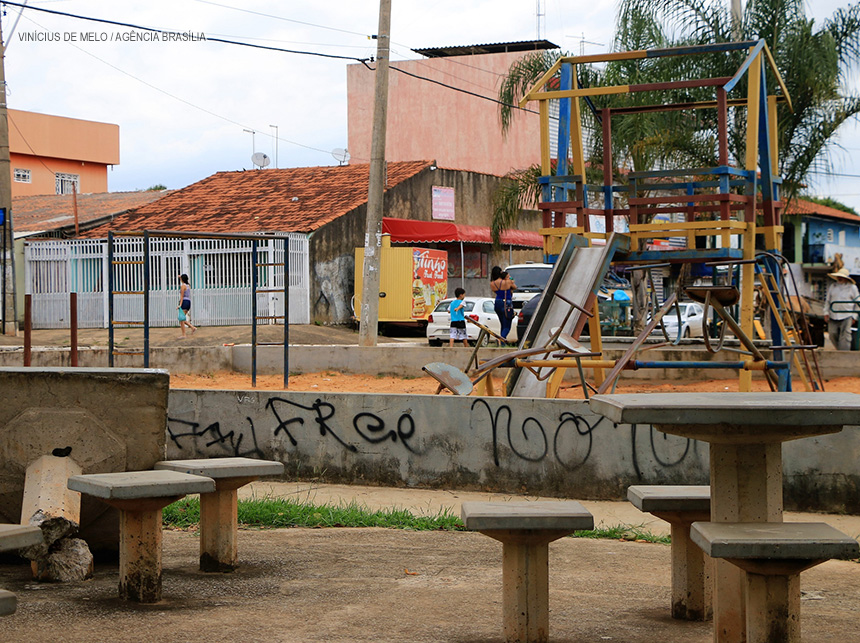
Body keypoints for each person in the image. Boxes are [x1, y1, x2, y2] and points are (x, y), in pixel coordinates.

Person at [824, 267, 860, 350]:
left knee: (845, 335)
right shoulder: (833, 286)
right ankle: (839, 349)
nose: (840, 278)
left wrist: (854, 316)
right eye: (839, 277)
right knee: (832, 334)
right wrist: (826, 312)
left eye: (842, 277)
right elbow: (828, 301)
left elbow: (857, 303)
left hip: (847, 314)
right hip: (833, 314)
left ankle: (844, 352)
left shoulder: (852, 288)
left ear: (845, 278)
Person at [490, 266, 516, 342]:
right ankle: (501, 339)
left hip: (497, 302)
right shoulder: (506, 282)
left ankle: (502, 342)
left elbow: (496, 292)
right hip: (506, 303)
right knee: (507, 325)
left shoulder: (492, 283)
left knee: (502, 323)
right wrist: (510, 279)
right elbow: (514, 287)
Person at [177, 273, 197, 338]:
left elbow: (182, 296)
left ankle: (184, 334)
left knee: (181, 319)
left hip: (184, 302)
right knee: (182, 318)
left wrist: (180, 305)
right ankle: (192, 327)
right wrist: (180, 277)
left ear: (182, 279)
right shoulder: (188, 285)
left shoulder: (183, 286)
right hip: (188, 301)